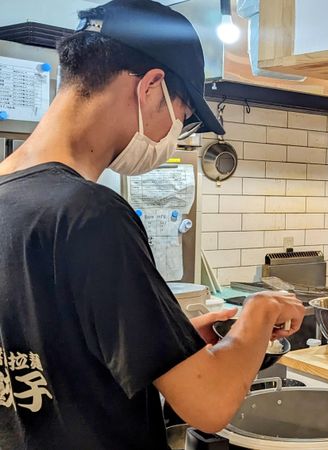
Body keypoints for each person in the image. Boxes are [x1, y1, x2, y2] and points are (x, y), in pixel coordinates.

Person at [0, 1, 305, 449]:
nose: (174, 135)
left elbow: (52, 347)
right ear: (151, 87)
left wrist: (165, 339)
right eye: (181, 117)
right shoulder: (90, 214)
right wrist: (259, 311)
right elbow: (209, 405)